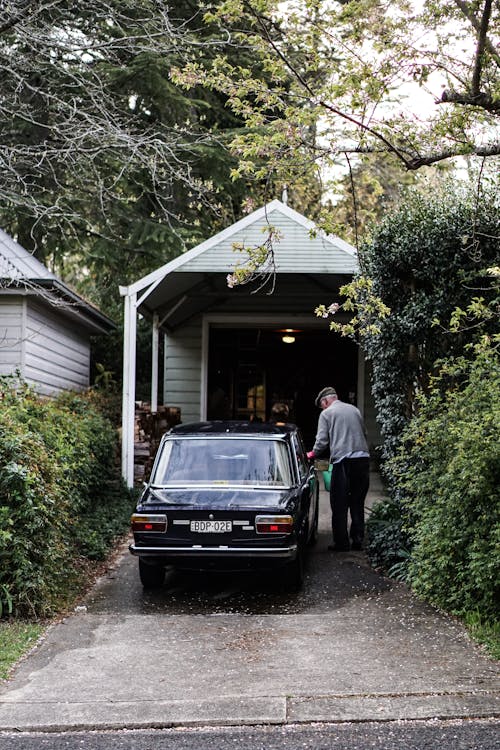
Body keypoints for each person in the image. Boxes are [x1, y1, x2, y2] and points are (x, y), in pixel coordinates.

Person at [307, 386, 370, 551]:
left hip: (343, 461)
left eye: (322, 405)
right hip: (363, 459)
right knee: (357, 501)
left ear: (326, 401)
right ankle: (357, 540)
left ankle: (341, 543)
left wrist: (312, 454)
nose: (323, 408)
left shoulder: (326, 414)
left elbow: (322, 441)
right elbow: (364, 432)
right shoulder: (354, 410)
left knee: (339, 503)